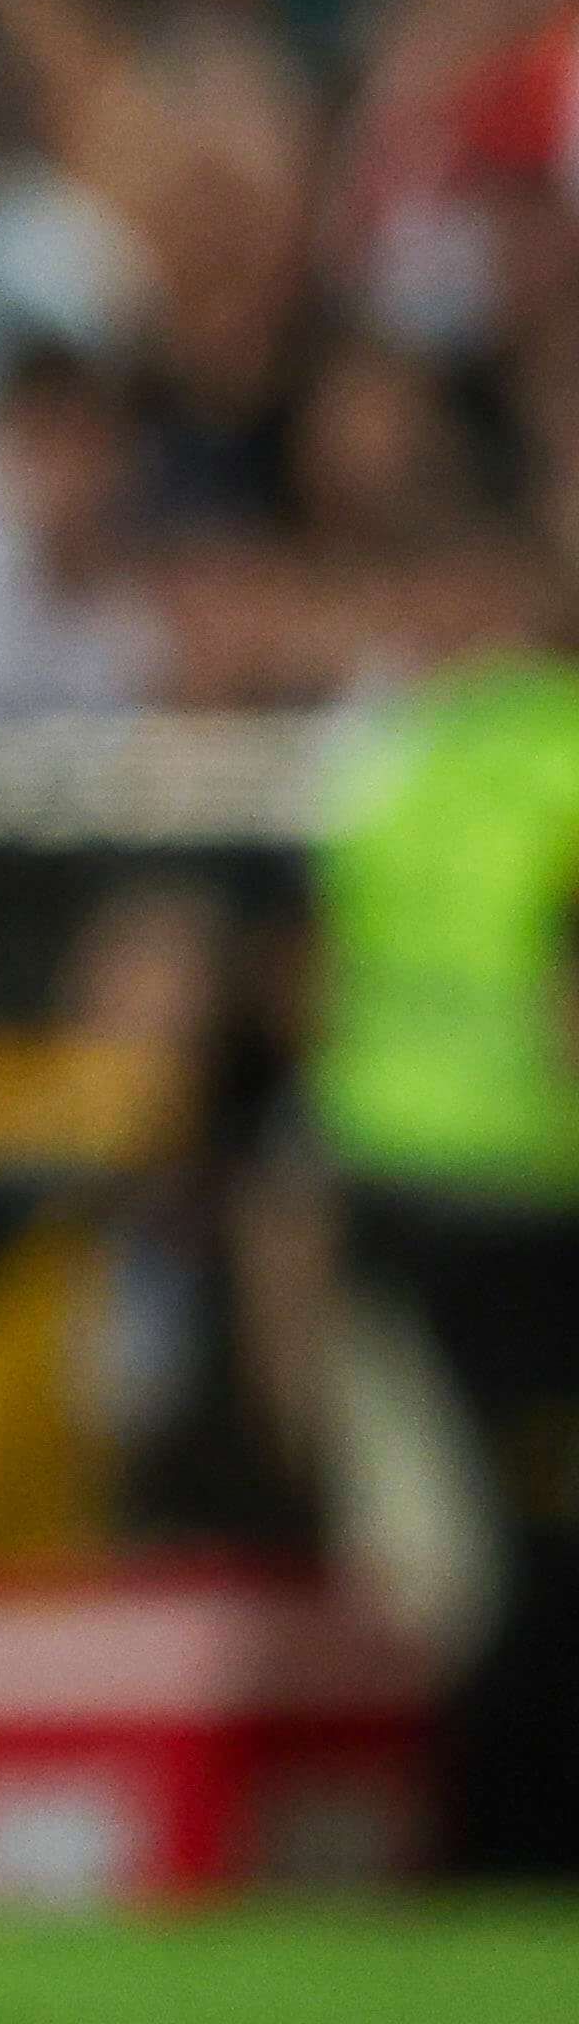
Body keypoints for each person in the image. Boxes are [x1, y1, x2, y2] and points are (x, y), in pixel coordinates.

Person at [308, 657, 579, 1869]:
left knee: (481, 1577)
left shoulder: (395, 753)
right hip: (511, 1217)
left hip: (416, 1206)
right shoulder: (514, 761)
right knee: (515, 1570)